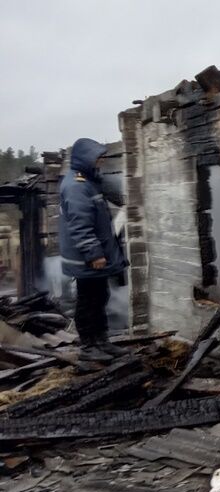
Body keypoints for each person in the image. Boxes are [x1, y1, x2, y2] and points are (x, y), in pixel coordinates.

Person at [59, 138, 129, 361]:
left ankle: (102, 341)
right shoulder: (76, 186)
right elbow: (80, 225)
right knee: (88, 300)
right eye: (97, 159)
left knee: (99, 296)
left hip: (92, 257)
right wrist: (94, 254)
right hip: (86, 259)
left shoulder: (88, 181)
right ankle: (89, 347)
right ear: (85, 159)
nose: (100, 163)